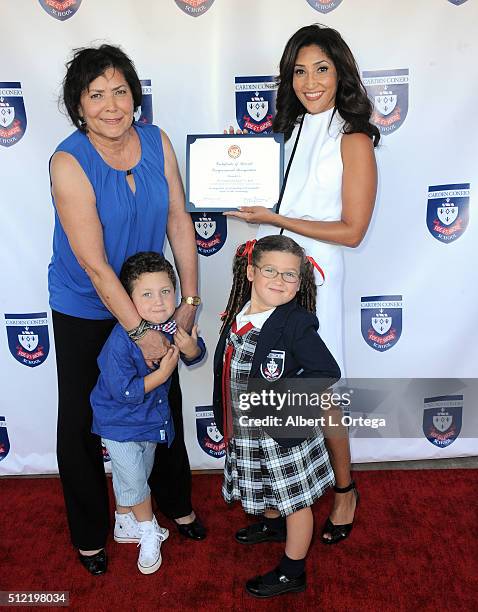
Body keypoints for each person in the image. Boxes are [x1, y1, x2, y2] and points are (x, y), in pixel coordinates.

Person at [49, 44, 205, 576]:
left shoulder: (157, 141)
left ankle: (175, 506)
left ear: (135, 97)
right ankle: (93, 533)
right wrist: (140, 332)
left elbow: (180, 221)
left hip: (154, 300)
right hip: (86, 307)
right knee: (82, 419)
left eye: (120, 91)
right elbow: (95, 266)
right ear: (79, 106)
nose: (111, 105)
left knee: (163, 404)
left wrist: (186, 302)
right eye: (96, 95)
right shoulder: (69, 161)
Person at [225, 24, 379, 544]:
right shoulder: (285, 134)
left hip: (315, 280)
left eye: (322, 69)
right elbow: (268, 208)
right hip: (272, 276)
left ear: (341, 74)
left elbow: (352, 230)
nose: (310, 81)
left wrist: (278, 218)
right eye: (299, 70)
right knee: (271, 388)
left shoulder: (353, 137)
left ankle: (344, 491)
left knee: (320, 393)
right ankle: (279, 504)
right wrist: (234, 165)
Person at [213, 235, 341, 598]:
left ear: (301, 282)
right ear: (251, 272)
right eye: (271, 270)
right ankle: (274, 525)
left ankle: (292, 571)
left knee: (296, 501)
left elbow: (325, 371)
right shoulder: (238, 314)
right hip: (249, 430)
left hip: (283, 432)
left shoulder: (296, 323)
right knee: (270, 486)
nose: (280, 281)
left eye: (290, 275)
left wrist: (283, 402)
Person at [91, 252, 206, 574]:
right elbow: (124, 393)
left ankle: (123, 521)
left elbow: (196, 357)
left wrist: (189, 348)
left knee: (134, 475)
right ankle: (147, 530)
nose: (159, 302)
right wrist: (164, 371)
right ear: (128, 300)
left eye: (166, 291)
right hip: (119, 425)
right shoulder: (119, 341)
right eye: (147, 294)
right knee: (137, 481)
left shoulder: (173, 327)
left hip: (152, 423)